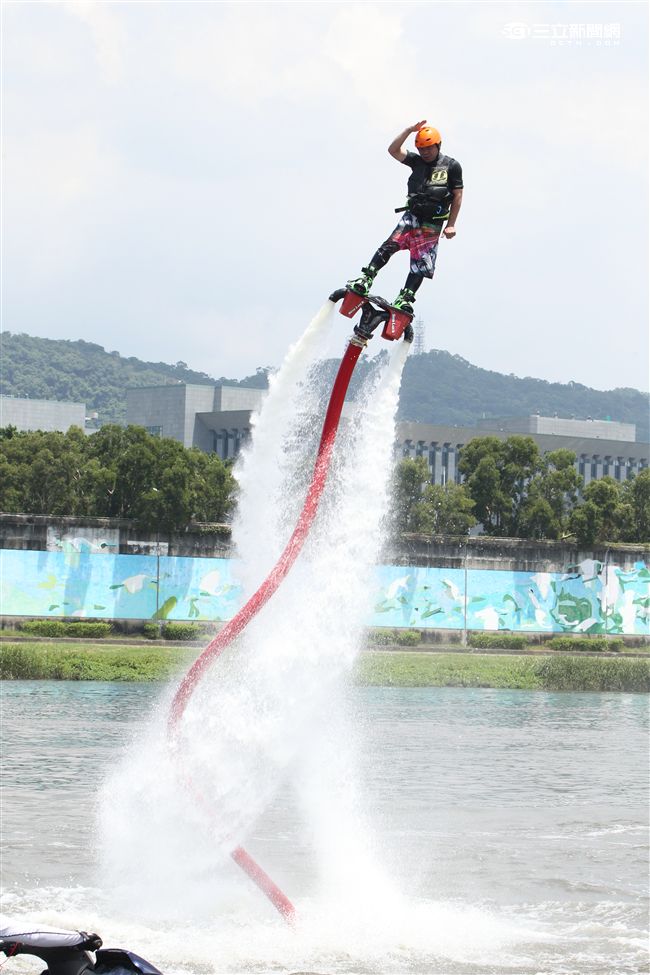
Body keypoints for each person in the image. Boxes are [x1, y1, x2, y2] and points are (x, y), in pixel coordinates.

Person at [347, 120, 463, 316]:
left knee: (422, 262)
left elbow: (458, 196)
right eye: (421, 148)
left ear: (438, 145)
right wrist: (409, 131)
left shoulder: (452, 166)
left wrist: (451, 225)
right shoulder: (416, 161)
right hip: (412, 216)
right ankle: (366, 278)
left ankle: (406, 298)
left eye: (428, 148)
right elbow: (393, 150)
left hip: (433, 223)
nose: (425, 152)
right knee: (390, 244)